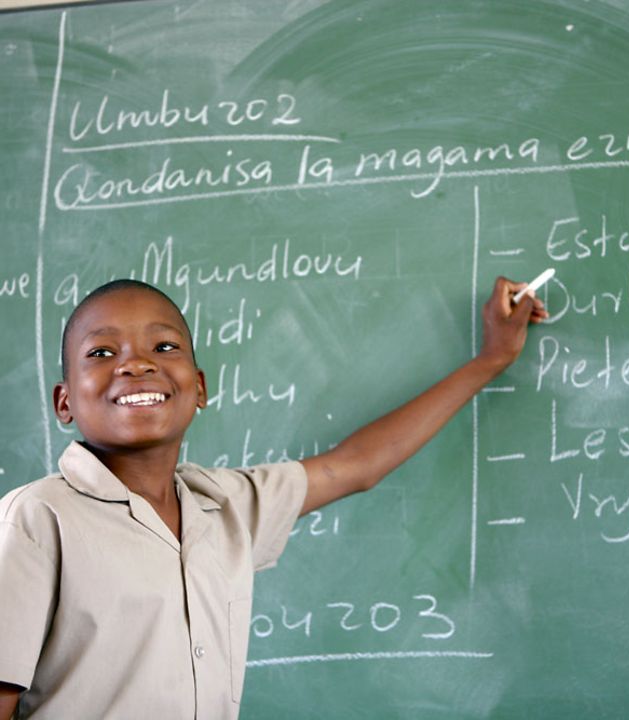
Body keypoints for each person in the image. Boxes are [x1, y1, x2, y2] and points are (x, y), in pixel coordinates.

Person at [0, 276, 547, 720]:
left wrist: (491, 359)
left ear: (200, 387)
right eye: (101, 351)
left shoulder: (226, 506)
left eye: (164, 346)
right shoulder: (37, 519)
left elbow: (354, 465)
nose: (136, 363)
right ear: (64, 401)